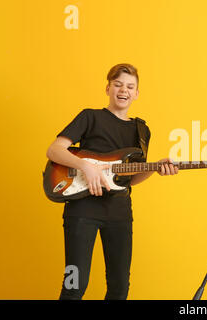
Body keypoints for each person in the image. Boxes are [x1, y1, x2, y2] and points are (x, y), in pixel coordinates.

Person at [46, 63, 178, 300]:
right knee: (74, 286)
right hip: (81, 211)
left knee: (119, 289)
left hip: (119, 214)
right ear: (108, 88)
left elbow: (131, 178)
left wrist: (156, 168)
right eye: (118, 85)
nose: (123, 90)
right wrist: (86, 166)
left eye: (130, 86)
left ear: (136, 93)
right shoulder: (90, 117)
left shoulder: (142, 131)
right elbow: (55, 150)